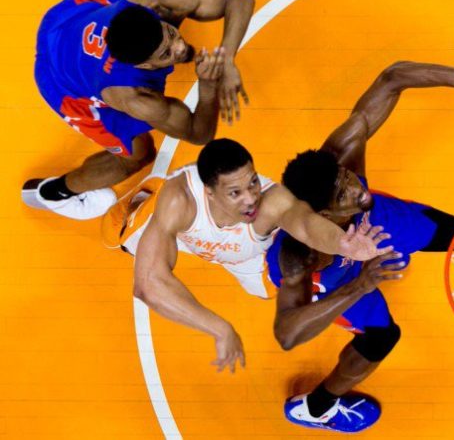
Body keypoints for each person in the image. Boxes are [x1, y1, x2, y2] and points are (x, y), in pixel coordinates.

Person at [268, 61, 454, 432]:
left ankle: (385, 251)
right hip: (339, 279)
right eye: (343, 193)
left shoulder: (343, 154)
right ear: (322, 213)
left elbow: (392, 77)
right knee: (383, 337)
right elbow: (286, 335)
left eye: (347, 177)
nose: (356, 187)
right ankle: (318, 407)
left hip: (378, 222)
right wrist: (360, 285)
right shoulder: (300, 256)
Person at [100, 138, 392, 373]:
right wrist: (220, 329)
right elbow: (148, 285)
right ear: (210, 192)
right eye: (235, 192)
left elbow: (305, 224)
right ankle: (144, 202)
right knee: (126, 240)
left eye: (252, 182)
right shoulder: (181, 201)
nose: (251, 197)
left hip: (247, 255)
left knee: (268, 291)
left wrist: (343, 244)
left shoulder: (272, 200)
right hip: (187, 231)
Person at [23, 0, 256, 220]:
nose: (181, 46)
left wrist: (227, 57)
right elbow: (198, 133)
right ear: (143, 67)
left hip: (66, 17)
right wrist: (208, 86)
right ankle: (56, 193)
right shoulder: (135, 98)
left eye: (171, 34)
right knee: (139, 154)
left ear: (155, 14)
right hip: (60, 81)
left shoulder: (154, 2)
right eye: (166, 54)